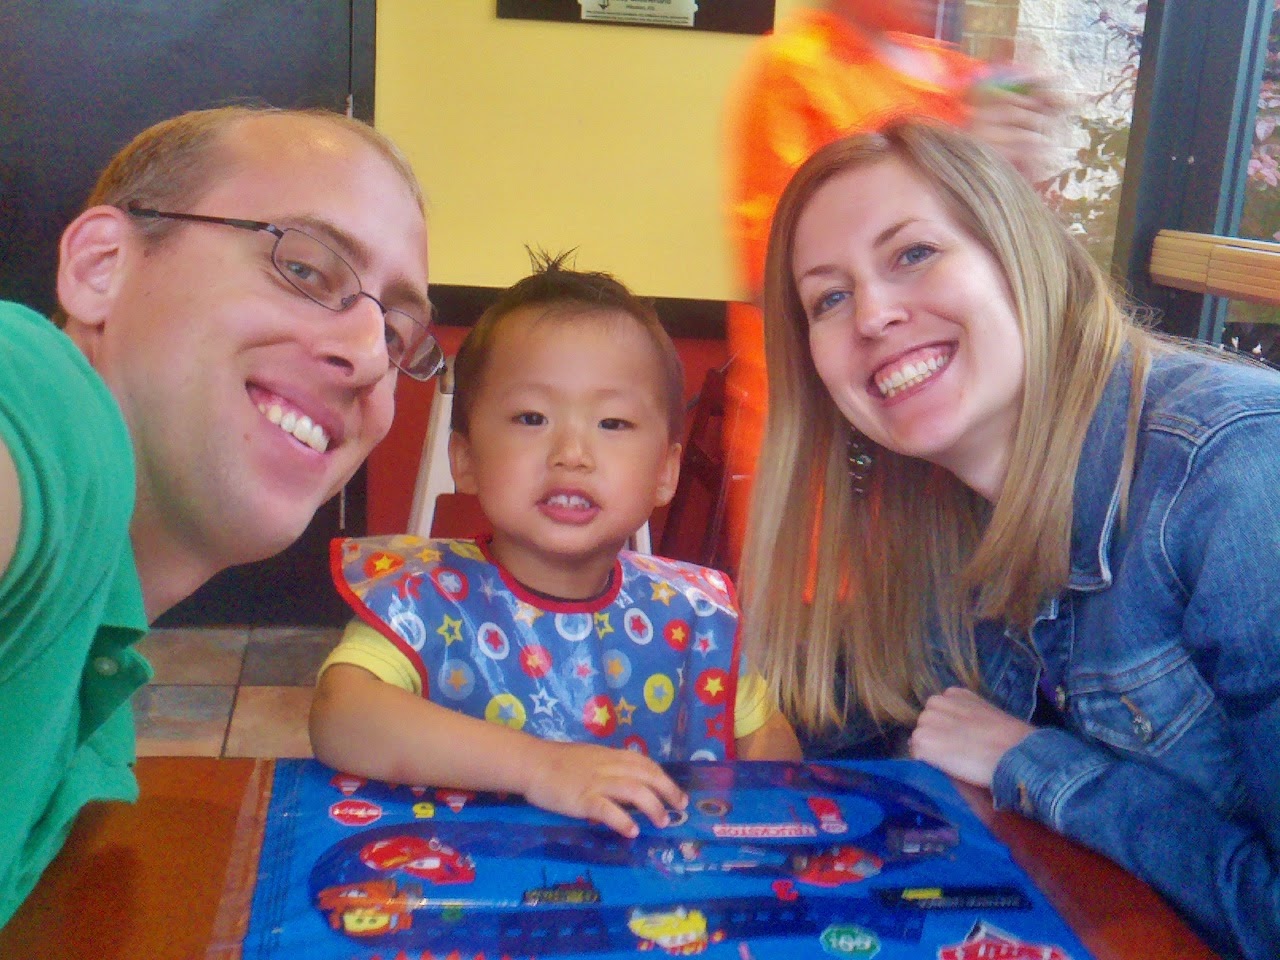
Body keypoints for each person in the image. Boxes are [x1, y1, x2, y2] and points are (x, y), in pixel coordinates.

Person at [740, 119, 1279, 959]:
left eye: (913, 253)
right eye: (829, 298)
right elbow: (856, 709)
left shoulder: (1238, 471)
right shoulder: (941, 511)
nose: (874, 314)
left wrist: (1034, 765)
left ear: (1018, 253)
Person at [0, 104, 439, 927]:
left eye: (397, 332)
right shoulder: (44, 403)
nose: (368, 357)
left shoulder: (88, 695)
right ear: (100, 268)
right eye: (304, 268)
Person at [310, 255, 802, 839]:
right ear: (464, 458)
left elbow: (771, 747)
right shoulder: (423, 599)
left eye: (612, 423)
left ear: (666, 472)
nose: (572, 453)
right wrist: (540, 767)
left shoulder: (693, 617)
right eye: (532, 417)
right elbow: (340, 715)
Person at [719, 0, 1065, 570]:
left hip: (960, 476)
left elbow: (1019, 261)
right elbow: (779, 275)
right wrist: (971, 163)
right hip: (832, 454)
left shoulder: (959, 78)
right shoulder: (798, 73)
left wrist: (1019, 173)